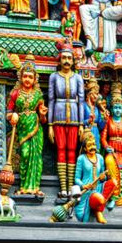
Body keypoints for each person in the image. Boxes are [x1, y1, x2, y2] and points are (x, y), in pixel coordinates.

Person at [48, 41, 85, 196]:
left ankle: (72, 187)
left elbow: (81, 101)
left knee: (72, 151)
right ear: (60, 59)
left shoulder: (77, 78)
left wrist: (82, 124)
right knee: (61, 150)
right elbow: (51, 99)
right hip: (58, 115)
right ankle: (63, 187)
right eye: (64, 58)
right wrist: (50, 124)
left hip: (75, 117)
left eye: (70, 58)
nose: (67, 61)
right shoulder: (54, 77)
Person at [7, 57, 47, 195]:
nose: (27, 79)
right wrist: (12, 116)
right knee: (24, 154)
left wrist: (42, 114)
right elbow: (8, 112)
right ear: (21, 77)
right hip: (22, 128)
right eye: (25, 76)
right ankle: (24, 186)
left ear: (35, 79)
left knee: (36, 156)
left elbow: (43, 120)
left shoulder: (38, 94)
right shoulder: (15, 93)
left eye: (30, 77)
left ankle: (35, 186)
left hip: (35, 128)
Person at [74, 129, 115, 224]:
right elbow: (76, 178)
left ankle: (98, 211)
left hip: (99, 188)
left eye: (94, 145)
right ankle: (97, 210)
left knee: (113, 182)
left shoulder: (100, 158)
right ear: (84, 148)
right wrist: (83, 185)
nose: (92, 147)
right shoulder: (81, 159)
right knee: (98, 199)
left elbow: (103, 176)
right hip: (88, 191)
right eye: (89, 146)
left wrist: (103, 178)